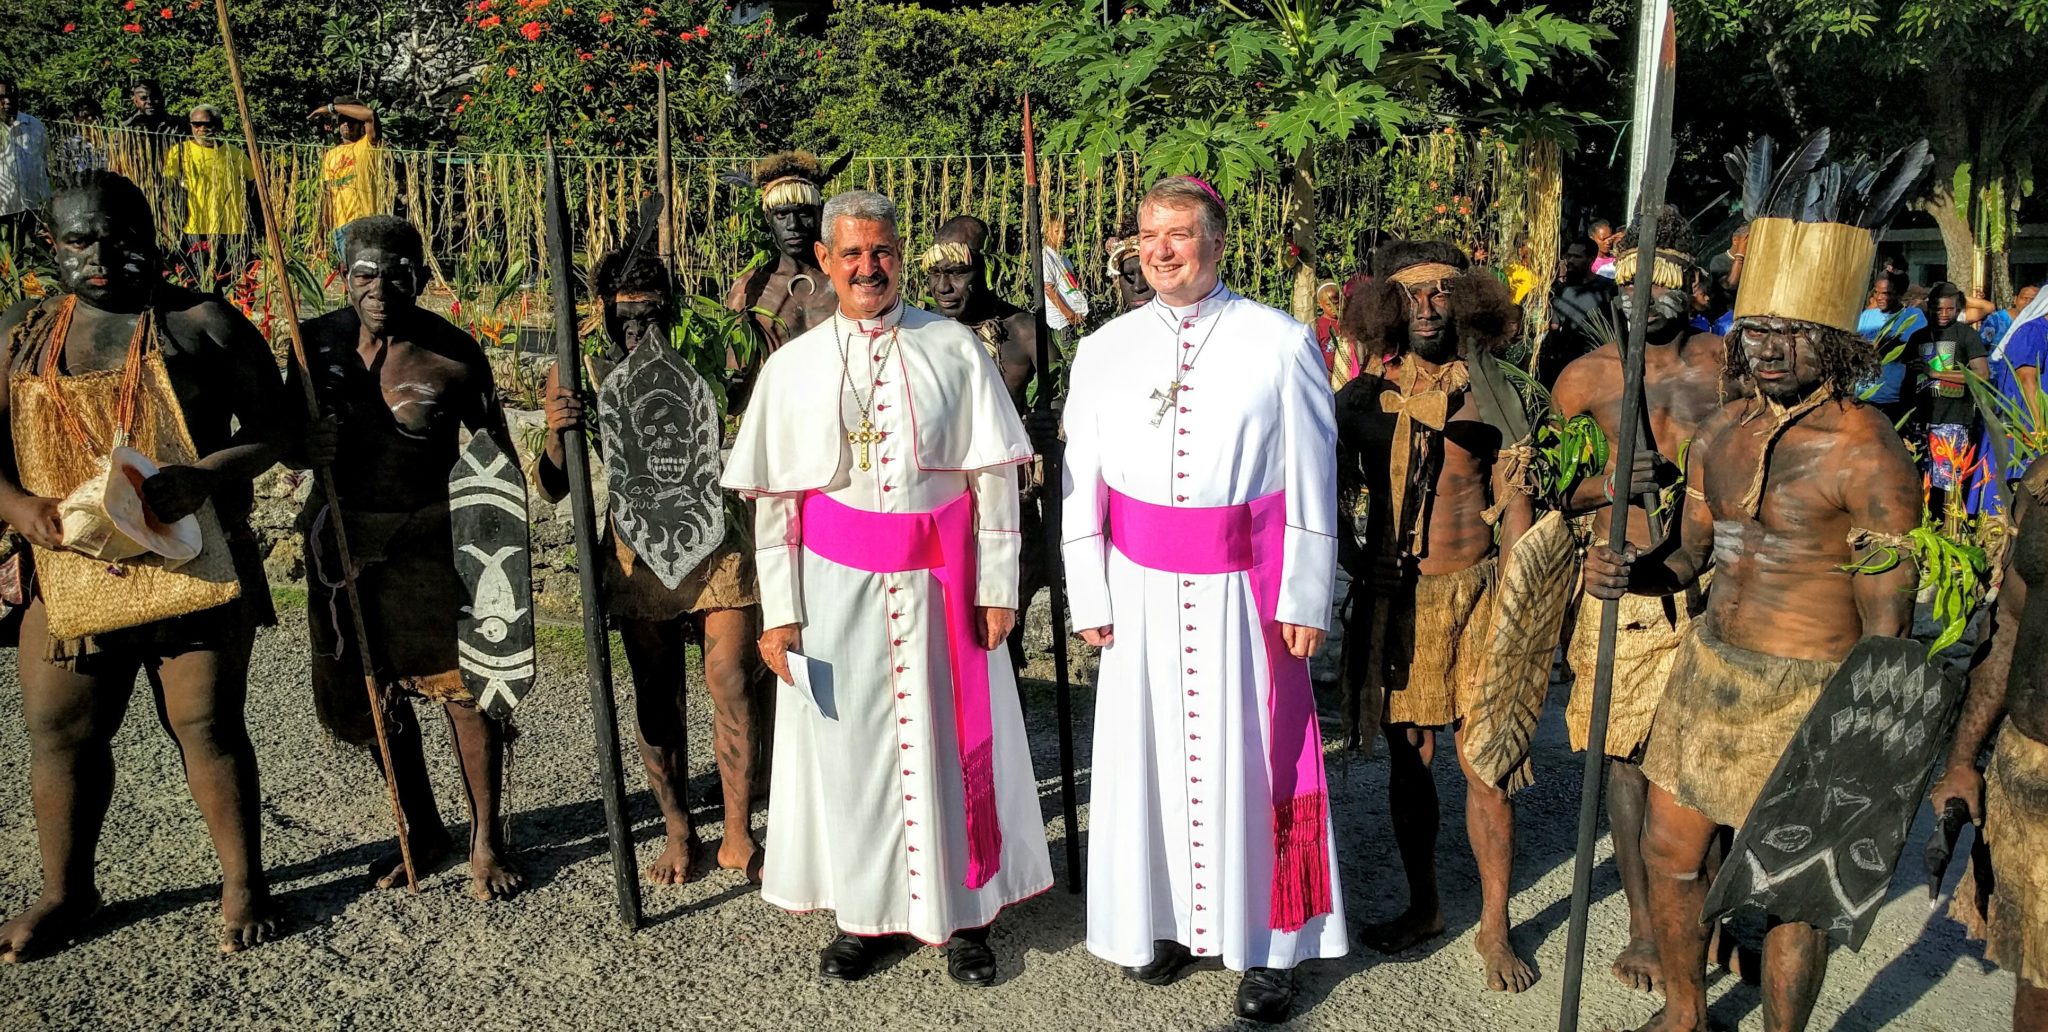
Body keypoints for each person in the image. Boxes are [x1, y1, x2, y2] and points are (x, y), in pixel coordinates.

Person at [1583, 169, 1923, 1032]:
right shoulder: (1721, 433)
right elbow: (1689, 558)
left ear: (1834, 339)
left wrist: (1864, 740)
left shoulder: (1870, 451)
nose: (1769, 348)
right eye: (1758, 328)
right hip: (1710, 675)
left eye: (1793, 333)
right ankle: (1687, 1012)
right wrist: (1632, 570)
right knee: (1670, 854)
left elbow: (1890, 618)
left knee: (1791, 895)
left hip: (1810, 690)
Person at [720, 190, 1053, 986]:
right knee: (854, 752)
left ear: (899, 256)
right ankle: (865, 918)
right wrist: (781, 612)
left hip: (946, 582)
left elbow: (993, 478)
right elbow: (776, 506)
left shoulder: (955, 348)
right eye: (853, 255)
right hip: (835, 589)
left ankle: (967, 912)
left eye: (883, 253)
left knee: (951, 742)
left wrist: (999, 584)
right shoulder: (793, 366)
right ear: (828, 262)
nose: (869, 268)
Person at [1060, 175, 1347, 1023]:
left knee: (1254, 761)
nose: (1160, 250)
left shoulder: (1279, 341)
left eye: (1178, 234)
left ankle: (1273, 945)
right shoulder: (1102, 349)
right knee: (1152, 758)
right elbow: (1083, 485)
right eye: (1148, 235)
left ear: (1215, 243)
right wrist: (1088, 590)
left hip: (1243, 594)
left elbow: (1312, 477)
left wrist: (1304, 595)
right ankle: (1170, 923)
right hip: (1141, 589)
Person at [0, 172, 295, 959]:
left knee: (206, 723)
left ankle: (244, 882)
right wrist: (18, 508)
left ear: (154, 239)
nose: (101, 256)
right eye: (79, 240)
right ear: (50, 246)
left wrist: (206, 474)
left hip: (189, 558)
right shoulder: (24, 333)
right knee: (60, 731)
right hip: (68, 565)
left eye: (120, 237)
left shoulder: (200, 323)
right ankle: (67, 891)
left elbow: (275, 431)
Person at [291, 216, 524, 902]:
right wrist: (308, 447)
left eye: (398, 274)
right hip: (341, 542)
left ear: (421, 279)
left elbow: (497, 459)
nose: (381, 288)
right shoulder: (314, 348)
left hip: (430, 544)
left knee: (465, 693)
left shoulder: (452, 355)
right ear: (344, 277)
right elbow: (284, 441)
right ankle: (421, 829)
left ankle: (487, 838)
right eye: (365, 273)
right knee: (370, 691)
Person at [1335, 240, 1539, 993]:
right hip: (1402, 606)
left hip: (1483, 593)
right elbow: (1328, 497)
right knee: (1409, 758)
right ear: (1386, 306)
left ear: (1467, 300)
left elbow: (1517, 501)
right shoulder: (1362, 400)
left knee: (1486, 765)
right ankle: (1424, 905)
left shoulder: (1494, 393)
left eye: (1441, 292)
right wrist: (1361, 559)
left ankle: (1495, 923)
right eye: (1410, 294)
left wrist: (1519, 600)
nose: (1426, 307)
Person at [534, 246, 763, 884]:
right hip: (637, 550)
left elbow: (751, 417)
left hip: (717, 539)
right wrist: (557, 430)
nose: (639, 330)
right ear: (604, 313)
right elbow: (551, 486)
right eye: (626, 318)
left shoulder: (710, 348)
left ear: (674, 306)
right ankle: (679, 829)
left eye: (652, 314)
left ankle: (738, 832)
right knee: (656, 695)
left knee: (730, 678)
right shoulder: (577, 367)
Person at [1549, 209, 1729, 994]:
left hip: (1715, 579)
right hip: (1618, 579)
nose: (1642, 300)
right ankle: (1646, 927)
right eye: (1629, 284)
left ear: (1691, 289)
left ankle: (1706, 915)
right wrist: (1603, 487)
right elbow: (1541, 487)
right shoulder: (1585, 376)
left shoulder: (1728, 366)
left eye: (1660, 283)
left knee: (1703, 759)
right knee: (1624, 757)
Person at [1933, 452, 2048, 1032]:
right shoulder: (2044, 481)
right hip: (2031, 768)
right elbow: (2006, 627)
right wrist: (1961, 760)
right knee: (2041, 977)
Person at [724, 152, 837, 386]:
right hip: (779, 411)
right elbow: (736, 391)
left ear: (821, 214)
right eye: (782, 214)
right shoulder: (749, 289)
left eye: (803, 212)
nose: (793, 226)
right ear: (768, 219)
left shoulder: (846, 280)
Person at [920, 215, 1036, 409]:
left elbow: (1064, 404)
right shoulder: (921, 331)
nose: (942, 287)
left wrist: (1045, 424)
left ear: (990, 270)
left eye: (958, 272)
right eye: (935, 273)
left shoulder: (1026, 333)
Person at [1914, 282, 1990, 515]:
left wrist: (1936, 373)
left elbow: (1982, 375)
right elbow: (1908, 377)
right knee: (1922, 478)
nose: (1944, 314)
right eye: (1938, 309)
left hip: (1953, 418)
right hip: (1920, 419)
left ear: (1958, 309)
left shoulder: (1967, 335)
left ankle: (1951, 529)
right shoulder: (1918, 336)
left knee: (1950, 480)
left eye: (1950, 309)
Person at [160, 105, 255, 288]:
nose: (202, 129)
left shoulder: (234, 153)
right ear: (191, 126)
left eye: (208, 124)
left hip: (231, 228)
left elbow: (251, 185)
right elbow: (168, 190)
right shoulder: (179, 152)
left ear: (218, 126)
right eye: (197, 124)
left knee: (231, 281)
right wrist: (169, 223)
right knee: (197, 281)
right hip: (195, 228)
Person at [310, 97, 387, 260]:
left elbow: (370, 115)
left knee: (366, 276)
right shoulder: (331, 155)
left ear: (360, 125)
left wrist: (330, 108)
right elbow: (329, 196)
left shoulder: (368, 145)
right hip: (341, 228)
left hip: (365, 224)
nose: (346, 124)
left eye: (352, 120)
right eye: (342, 120)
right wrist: (321, 232)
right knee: (349, 276)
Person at [1543, 235, 1617, 387]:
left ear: (1591, 259)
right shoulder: (1560, 292)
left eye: (1577, 257)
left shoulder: (1608, 290)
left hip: (1597, 363)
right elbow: (1554, 327)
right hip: (1564, 366)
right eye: (1569, 256)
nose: (1570, 261)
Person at [0, 77, 50, 254]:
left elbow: (44, 159)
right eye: (2, 97)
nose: (7, 101)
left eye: (12, 96)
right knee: (7, 263)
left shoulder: (34, 125)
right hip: (3, 209)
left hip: (33, 208)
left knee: (35, 260)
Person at [1104, 231, 1154, 312]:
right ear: (1117, 282)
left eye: (1147, 272)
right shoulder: (1114, 325)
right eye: (1128, 274)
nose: (1138, 287)